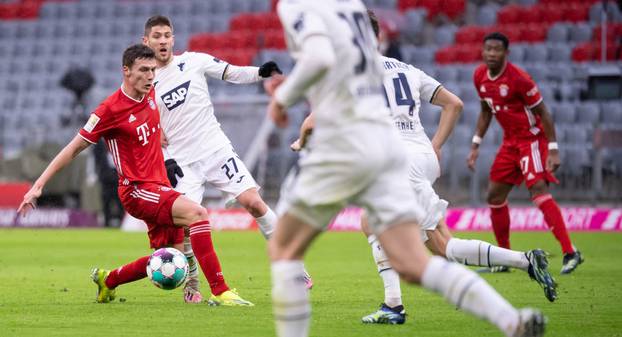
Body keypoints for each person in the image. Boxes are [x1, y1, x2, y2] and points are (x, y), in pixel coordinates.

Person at [267, 1, 545, 337]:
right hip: (391, 154)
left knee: (284, 247)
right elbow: (451, 102)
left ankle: (392, 306)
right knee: (415, 259)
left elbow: (320, 63)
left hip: (351, 148)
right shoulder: (356, 12)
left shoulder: (299, 6)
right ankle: (511, 321)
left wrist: (283, 100)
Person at [17, 44, 252, 306]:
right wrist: (38, 186)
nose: (151, 76)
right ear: (126, 71)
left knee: (170, 254)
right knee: (198, 213)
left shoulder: (151, 94)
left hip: (159, 184)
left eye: (152, 70)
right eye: (144, 70)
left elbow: (155, 125)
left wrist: (166, 151)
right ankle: (220, 290)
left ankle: (109, 280)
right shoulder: (109, 110)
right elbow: (74, 148)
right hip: (137, 190)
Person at [141, 16, 312, 303]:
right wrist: (161, 151)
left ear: (173, 39)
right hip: (180, 161)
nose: (162, 41)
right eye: (156, 36)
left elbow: (230, 72)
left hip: (214, 149)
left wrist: (261, 72)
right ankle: (191, 283)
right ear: (146, 41)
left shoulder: (193, 61)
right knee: (185, 224)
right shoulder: (146, 80)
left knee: (255, 202)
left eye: (167, 35)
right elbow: (142, 121)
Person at [467, 32, 584, 274]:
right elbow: (486, 111)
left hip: (531, 140)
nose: (491, 53)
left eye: (496, 49)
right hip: (510, 143)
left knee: (538, 191)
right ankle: (504, 258)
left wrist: (553, 150)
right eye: (487, 49)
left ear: (506, 53)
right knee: (494, 196)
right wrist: (476, 144)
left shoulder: (519, 79)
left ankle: (570, 252)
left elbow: (544, 113)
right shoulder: (479, 76)